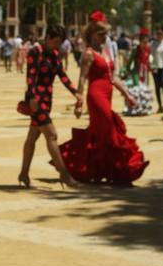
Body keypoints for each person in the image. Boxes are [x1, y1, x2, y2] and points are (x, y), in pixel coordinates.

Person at [59, 15, 149, 185]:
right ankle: (118, 170)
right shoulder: (88, 54)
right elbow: (82, 79)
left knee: (99, 133)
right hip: (96, 96)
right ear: (93, 34)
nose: (105, 38)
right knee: (109, 129)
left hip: (108, 95)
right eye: (102, 34)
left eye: (106, 35)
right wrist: (79, 104)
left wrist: (127, 94)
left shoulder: (106, 51)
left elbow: (112, 77)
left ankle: (101, 169)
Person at [17, 24, 83, 189]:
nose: (57, 45)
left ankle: (23, 174)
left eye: (59, 43)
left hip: (47, 101)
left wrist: (76, 92)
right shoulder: (35, 52)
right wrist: (32, 97)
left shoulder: (54, 54)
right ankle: (64, 174)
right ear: (47, 38)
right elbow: (30, 77)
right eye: (55, 42)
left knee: (32, 137)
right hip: (36, 101)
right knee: (52, 135)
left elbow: (62, 75)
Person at [122, 29, 153, 116]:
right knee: (135, 90)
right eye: (143, 40)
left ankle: (143, 108)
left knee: (144, 91)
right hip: (136, 73)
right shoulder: (136, 49)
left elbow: (148, 62)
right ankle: (131, 107)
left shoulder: (148, 49)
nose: (145, 42)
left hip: (145, 73)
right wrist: (128, 71)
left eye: (146, 40)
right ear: (140, 40)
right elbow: (129, 62)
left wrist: (151, 67)